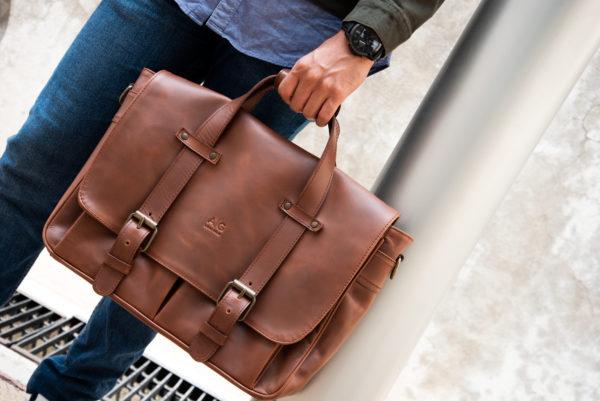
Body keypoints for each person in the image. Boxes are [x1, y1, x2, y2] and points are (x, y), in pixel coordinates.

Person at [0, 1, 444, 400]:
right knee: (34, 166)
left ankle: (71, 390)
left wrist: (365, 37)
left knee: (187, 250)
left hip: (299, 37)